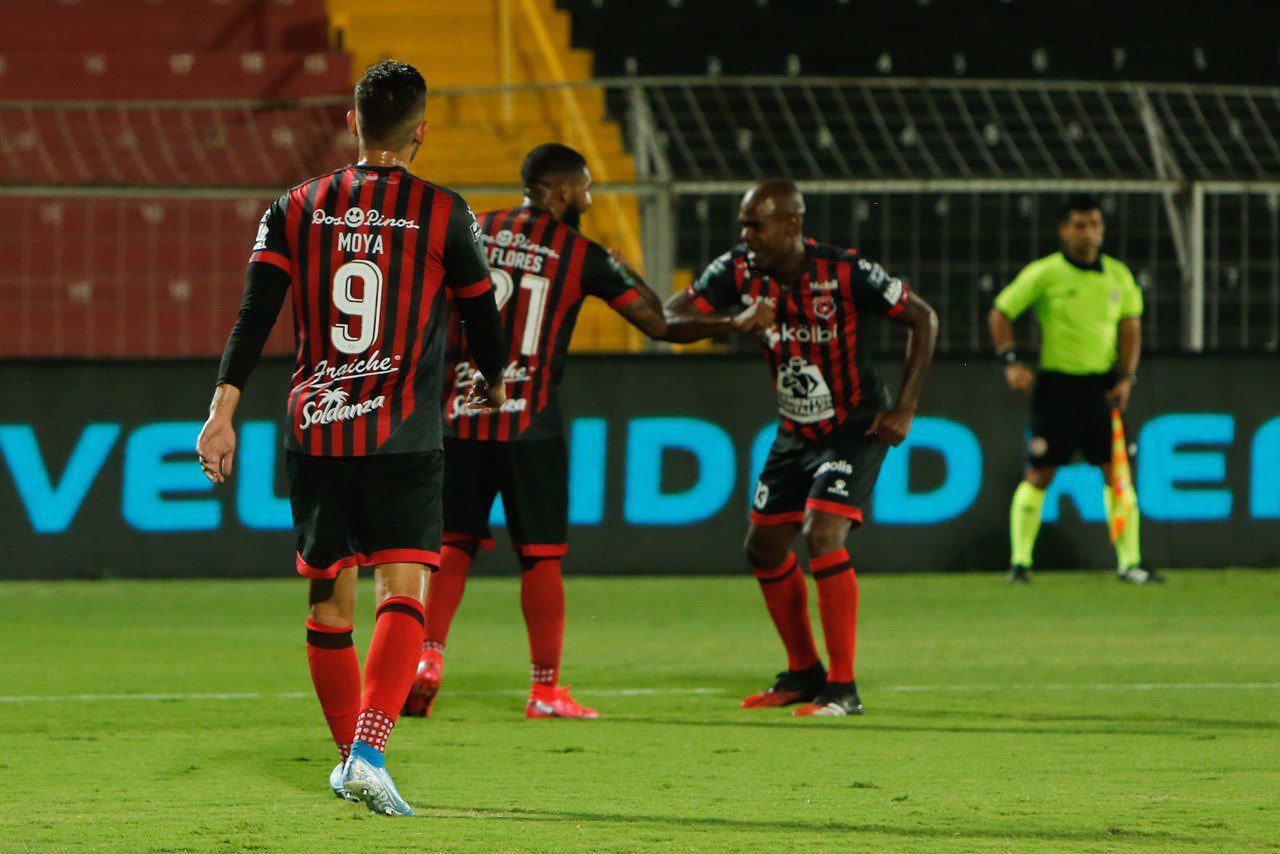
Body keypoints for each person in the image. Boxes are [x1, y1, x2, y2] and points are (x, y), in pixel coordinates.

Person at [195, 60, 508, 816]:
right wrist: (494, 377)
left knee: (328, 599)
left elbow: (254, 315)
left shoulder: (294, 206)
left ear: (352, 123)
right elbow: (483, 317)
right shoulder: (443, 211)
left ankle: (351, 759)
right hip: (404, 434)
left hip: (318, 432)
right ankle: (369, 751)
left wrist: (221, 411)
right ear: (422, 132)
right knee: (406, 590)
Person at [404, 143, 775, 719]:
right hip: (530, 423)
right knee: (542, 557)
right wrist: (735, 321)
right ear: (557, 190)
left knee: (451, 546)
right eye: (583, 186)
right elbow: (659, 320)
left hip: (459, 418)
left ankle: (426, 657)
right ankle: (545, 690)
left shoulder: (475, 231)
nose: (590, 197)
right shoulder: (580, 253)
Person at [666, 179, 938, 716]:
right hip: (795, 431)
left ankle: (843, 687)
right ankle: (803, 673)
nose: (746, 236)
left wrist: (905, 406)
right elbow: (671, 317)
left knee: (822, 533)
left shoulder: (845, 271)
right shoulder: (737, 270)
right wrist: (733, 322)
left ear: (792, 224)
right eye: (743, 224)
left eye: (756, 225)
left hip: (855, 425)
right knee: (762, 548)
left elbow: (922, 318)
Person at [989, 194, 1158, 584]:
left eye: (1095, 224)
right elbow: (1001, 311)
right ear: (1064, 229)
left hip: (1101, 386)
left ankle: (1129, 563)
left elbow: (1131, 325)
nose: (1089, 232)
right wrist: (1011, 362)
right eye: (1080, 225)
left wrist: (1125, 377)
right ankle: (1019, 564)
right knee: (1040, 472)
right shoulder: (1045, 273)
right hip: (1057, 385)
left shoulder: (1118, 275)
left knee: (1117, 472)